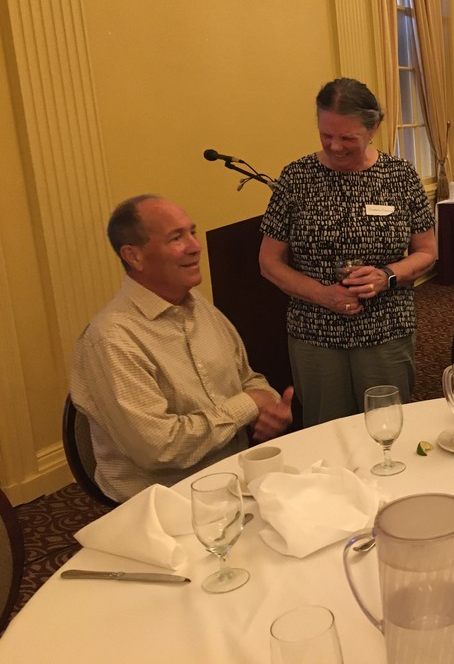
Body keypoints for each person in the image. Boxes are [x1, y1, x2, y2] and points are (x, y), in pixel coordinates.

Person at [71, 196, 293, 502]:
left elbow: (247, 379)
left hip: (233, 480)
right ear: (134, 256)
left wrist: (266, 406)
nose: (195, 246)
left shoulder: (197, 305)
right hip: (164, 503)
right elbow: (160, 449)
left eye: (193, 232)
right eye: (176, 238)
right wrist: (248, 406)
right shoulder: (112, 339)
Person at [259, 78, 436, 426]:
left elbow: (427, 251)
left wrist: (386, 276)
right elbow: (269, 262)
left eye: (347, 138)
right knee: (326, 430)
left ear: (374, 128)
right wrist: (323, 295)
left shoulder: (399, 176)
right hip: (315, 332)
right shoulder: (296, 177)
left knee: (387, 428)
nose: (335, 146)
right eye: (326, 135)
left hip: (386, 327)